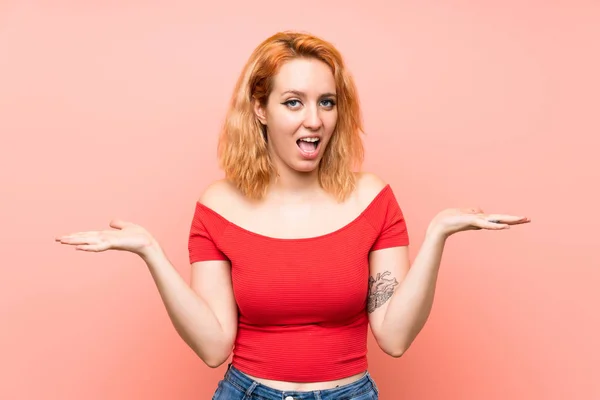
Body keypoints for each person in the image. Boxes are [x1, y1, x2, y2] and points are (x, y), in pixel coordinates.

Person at [55, 31, 531, 399]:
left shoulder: (373, 199)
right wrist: (150, 252)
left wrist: (438, 235)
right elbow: (213, 347)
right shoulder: (218, 207)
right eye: (293, 102)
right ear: (260, 109)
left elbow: (395, 336)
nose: (315, 120)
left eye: (327, 102)